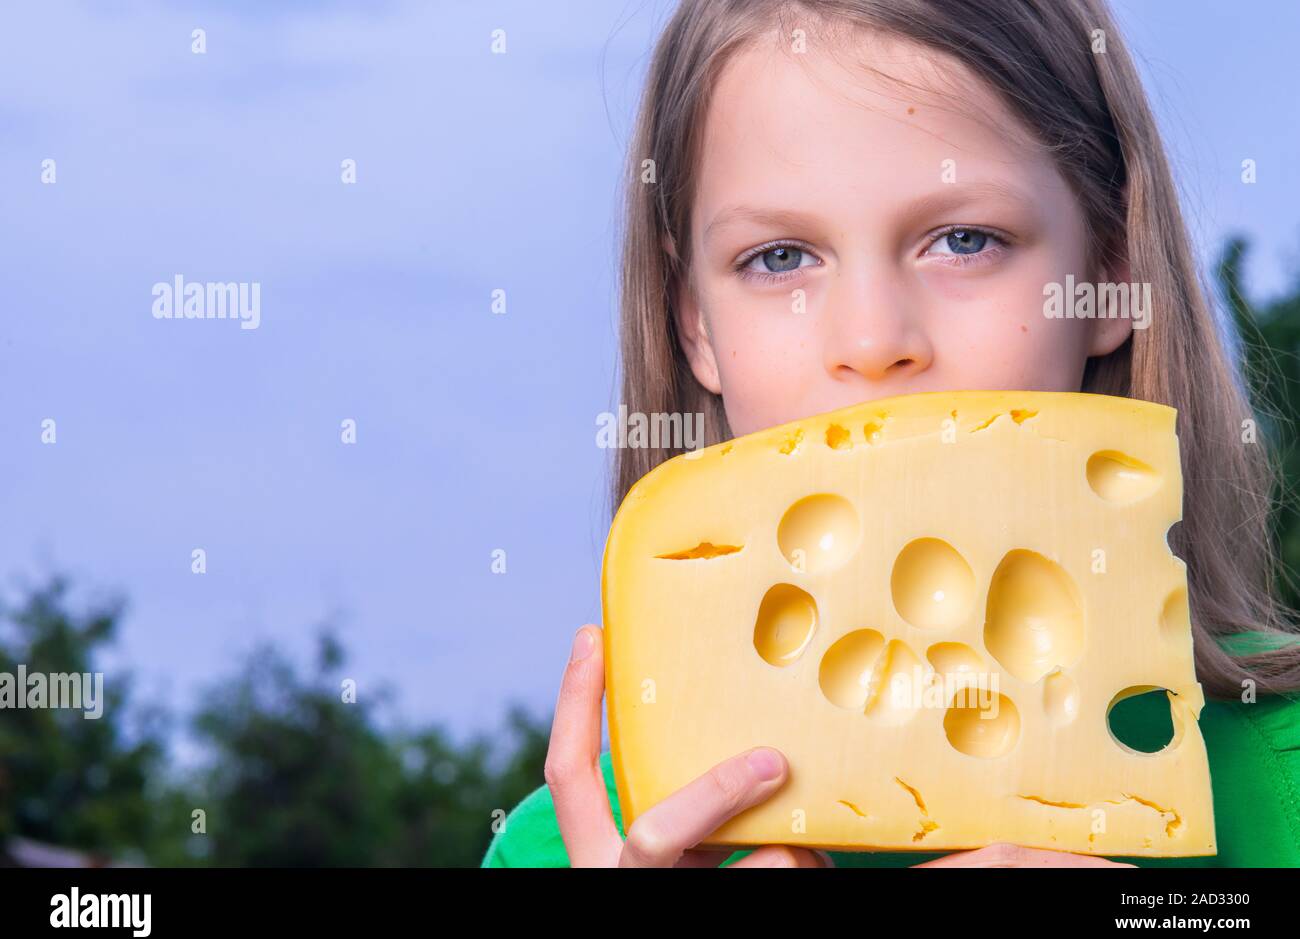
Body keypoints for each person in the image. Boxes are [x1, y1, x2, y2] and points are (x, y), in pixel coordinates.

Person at [484, 0, 1300, 867]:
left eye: (963, 239)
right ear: (695, 325)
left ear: (1111, 272)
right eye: (781, 258)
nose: (872, 345)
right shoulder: (559, 851)